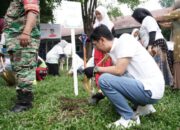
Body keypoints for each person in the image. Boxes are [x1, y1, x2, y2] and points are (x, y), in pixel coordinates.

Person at [84, 25, 165, 128]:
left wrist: (96, 69)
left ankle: (130, 118)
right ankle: (145, 108)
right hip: (151, 88)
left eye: (95, 45)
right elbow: (122, 79)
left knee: (104, 79)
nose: (96, 49)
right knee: (113, 77)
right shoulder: (115, 50)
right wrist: (101, 93)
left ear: (102, 40)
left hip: (151, 88)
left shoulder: (125, 40)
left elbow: (119, 70)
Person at [3, 0, 40, 112]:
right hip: (16, 42)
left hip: (23, 40)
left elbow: (32, 11)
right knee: (20, 69)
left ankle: (24, 103)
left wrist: (26, 32)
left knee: (24, 69)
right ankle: (25, 96)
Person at [132, 8, 173, 86]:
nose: (136, 19)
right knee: (159, 65)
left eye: (136, 17)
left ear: (139, 15)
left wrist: (150, 47)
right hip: (155, 44)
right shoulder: (145, 21)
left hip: (155, 44)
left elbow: (152, 32)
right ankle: (163, 84)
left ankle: (161, 85)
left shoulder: (148, 19)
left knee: (157, 65)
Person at [90, 5, 114, 103]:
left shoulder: (110, 24)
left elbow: (112, 38)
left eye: (99, 13)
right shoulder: (95, 25)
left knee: (106, 66)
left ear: (103, 13)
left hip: (106, 49)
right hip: (97, 50)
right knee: (97, 66)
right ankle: (99, 88)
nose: (97, 15)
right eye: (96, 14)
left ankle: (106, 86)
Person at [156, 0, 180, 90]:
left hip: (178, 42)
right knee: (176, 60)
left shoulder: (178, 11)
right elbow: (168, 24)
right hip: (176, 42)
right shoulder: (176, 16)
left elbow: (165, 17)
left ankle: (177, 84)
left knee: (177, 61)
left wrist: (151, 18)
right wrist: (158, 23)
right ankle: (176, 83)